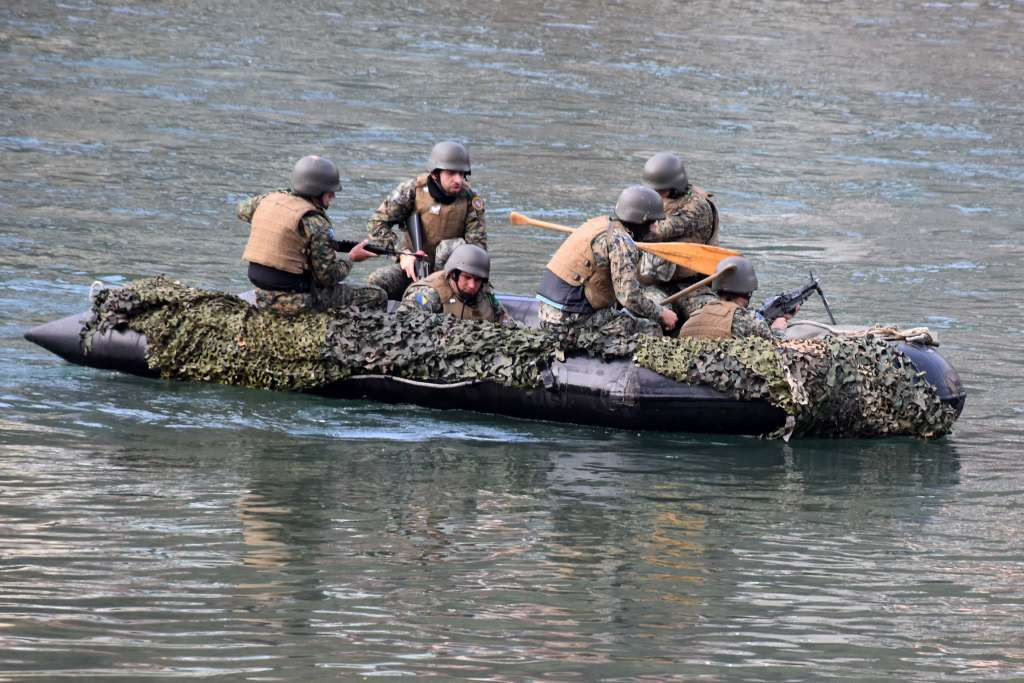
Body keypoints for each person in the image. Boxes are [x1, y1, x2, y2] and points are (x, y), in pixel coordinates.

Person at [238, 155, 387, 316]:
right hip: (297, 301)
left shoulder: (265, 201)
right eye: (330, 193)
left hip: (262, 294)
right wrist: (351, 258)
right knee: (377, 295)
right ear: (316, 191)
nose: (333, 196)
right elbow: (329, 277)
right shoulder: (316, 223)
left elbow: (241, 210)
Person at [535, 186, 678, 337]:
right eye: (653, 222)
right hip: (569, 322)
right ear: (641, 221)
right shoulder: (621, 242)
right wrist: (661, 314)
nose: (655, 228)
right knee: (651, 328)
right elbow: (629, 297)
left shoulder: (597, 224)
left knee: (625, 310)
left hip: (546, 314)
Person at [366, 140, 487, 300]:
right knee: (376, 282)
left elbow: (476, 249)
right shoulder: (412, 190)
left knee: (450, 247)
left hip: (452, 278)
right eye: (451, 173)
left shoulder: (470, 200)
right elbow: (376, 223)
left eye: (461, 173)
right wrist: (402, 254)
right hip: (413, 270)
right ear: (435, 174)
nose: (458, 179)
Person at [639, 152, 720, 320]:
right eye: (652, 190)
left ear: (675, 186)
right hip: (655, 283)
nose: (655, 194)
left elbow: (658, 232)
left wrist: (628, 226)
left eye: (660, 190)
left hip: (690, 285)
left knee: (709, 319)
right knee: (647, 313)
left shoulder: (697, 207)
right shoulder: (656, 199)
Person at [678, 256, 794, 340]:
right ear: (749, 291)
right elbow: (777, 350)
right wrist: (777, 330)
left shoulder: (692, 318)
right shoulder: (748, 321)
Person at [399, 244, 511, 324]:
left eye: (477, 280)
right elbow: (402, 322)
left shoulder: (483, 289)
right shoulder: (429, 294)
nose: (472, 285)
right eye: (467, 277)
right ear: (454, 275)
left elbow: (503, 318)